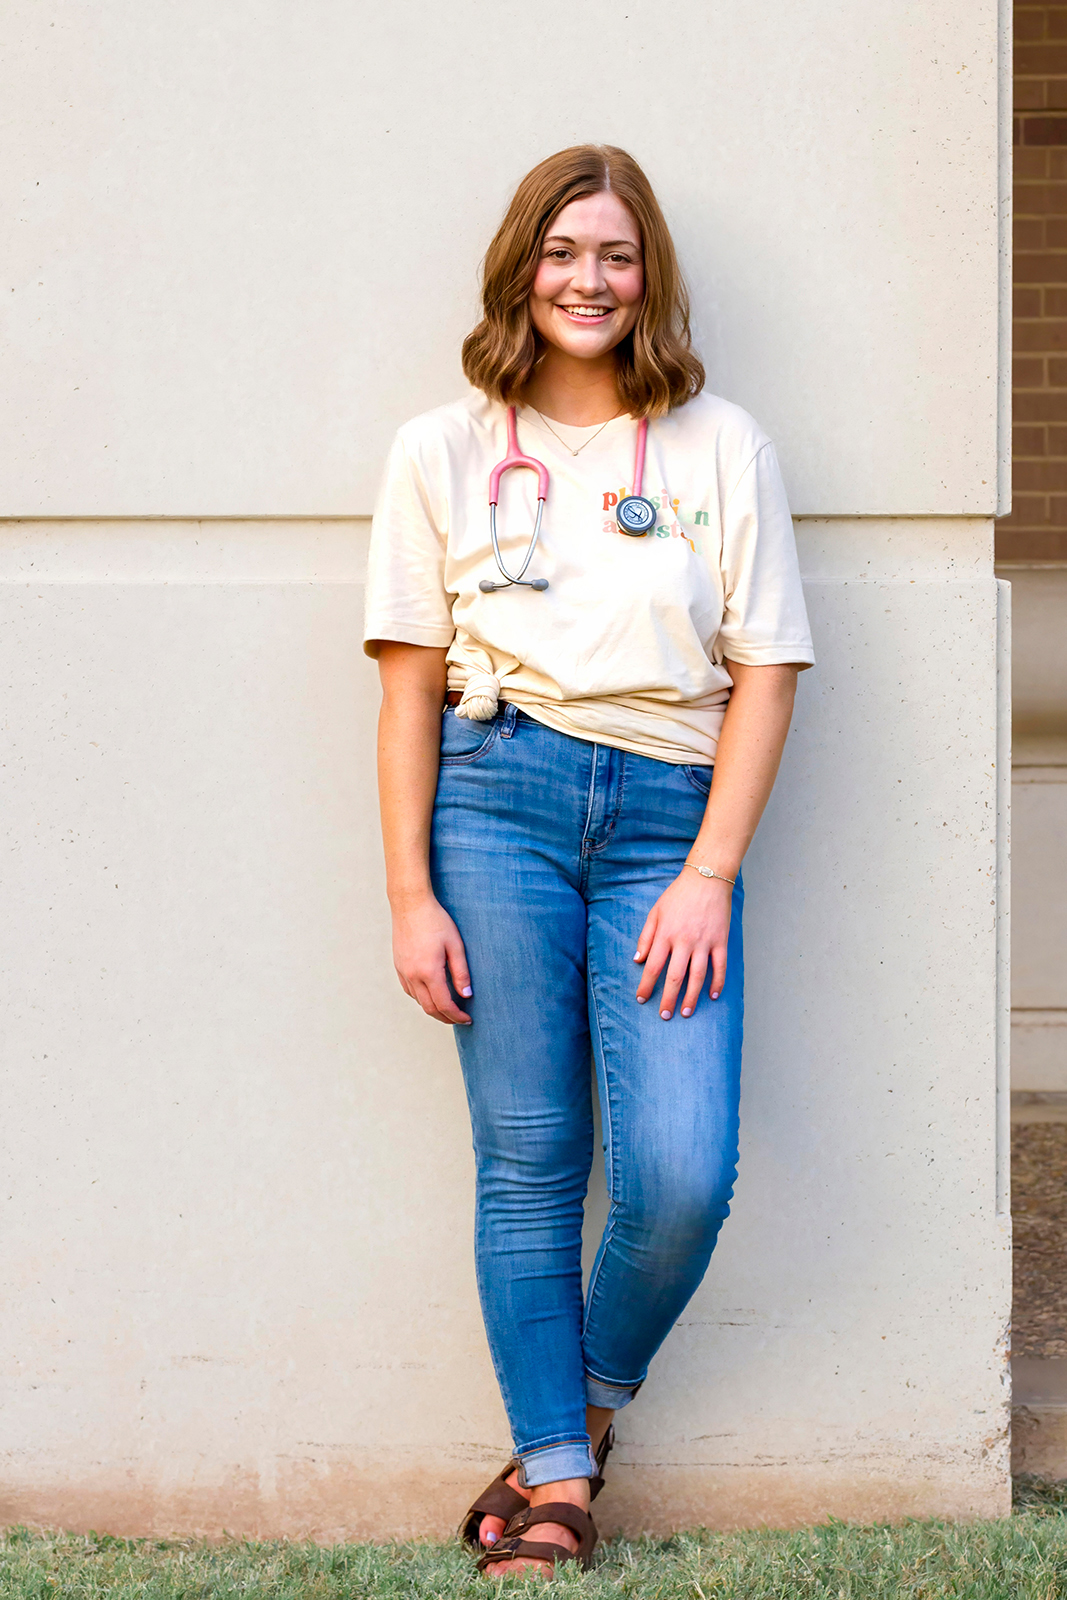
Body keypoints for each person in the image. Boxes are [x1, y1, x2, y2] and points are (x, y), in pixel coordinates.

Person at [364, 144, 814, 1579]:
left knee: (683, 1174)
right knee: (532, 1163)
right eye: (564, 253)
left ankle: (585, 1414)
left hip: (668, 827)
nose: (590, 281)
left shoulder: (718, 444)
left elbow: (769, 671)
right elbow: (406, 689)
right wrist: (409, 891)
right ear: (522, 267)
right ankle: (557, 1486)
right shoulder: (439, 448)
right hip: (493, 808)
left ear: (649, 275)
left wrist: (709, 873)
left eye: (616, 256)